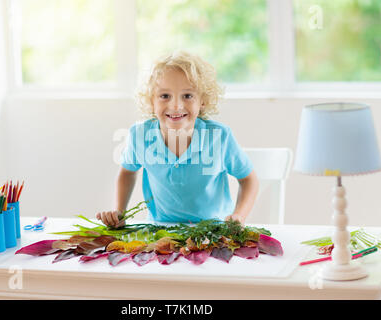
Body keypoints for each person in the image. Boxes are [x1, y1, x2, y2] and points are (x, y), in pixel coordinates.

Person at [96, 51, 259, 228]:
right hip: (159, 231)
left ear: (202, 101)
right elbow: (127, 172)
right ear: (152, 101)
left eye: (187, 96)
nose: (175, 106)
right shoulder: (139, 135)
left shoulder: (219, 137)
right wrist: (119, 211)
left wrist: (239, 216)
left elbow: (248, 179)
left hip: (213, 232)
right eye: (165, 96)